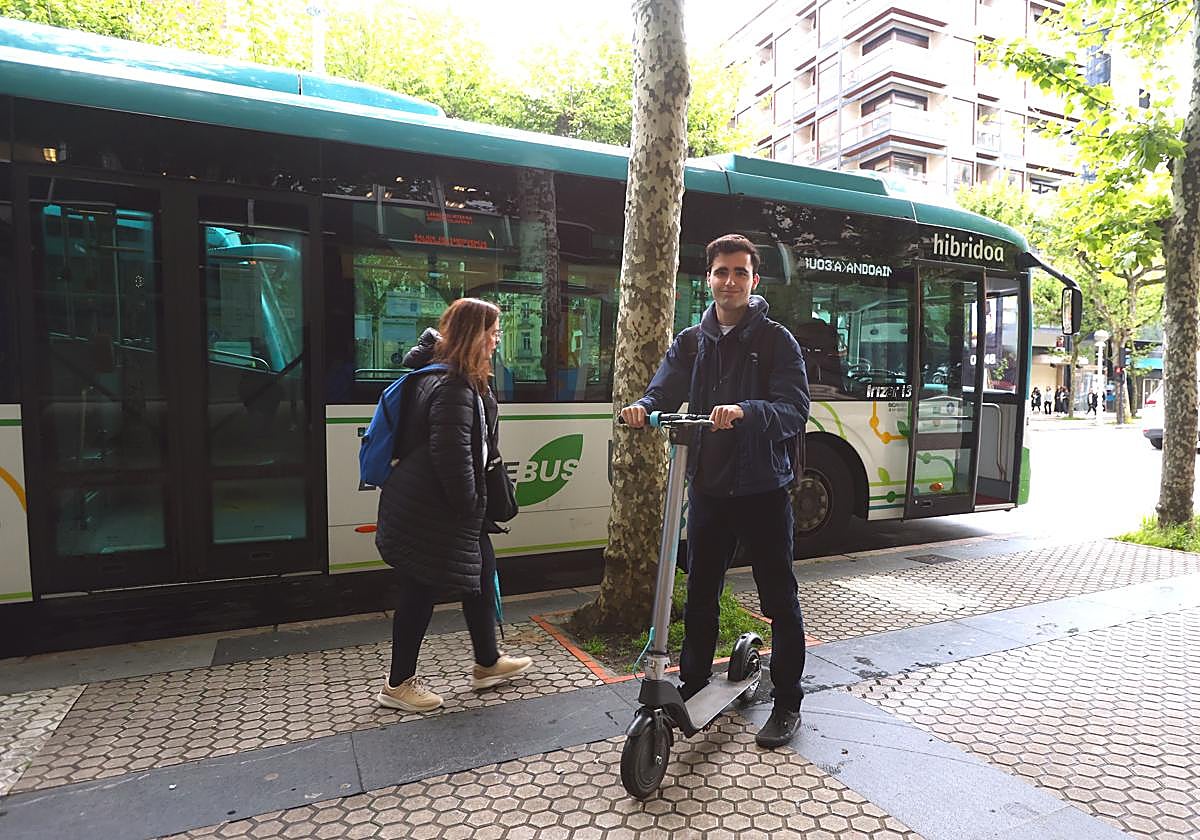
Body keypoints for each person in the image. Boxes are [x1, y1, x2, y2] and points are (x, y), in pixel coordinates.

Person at [620, 234, 811, 749]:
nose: (730, 281)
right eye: (721, 272)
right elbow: (662, 388)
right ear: (708, 278)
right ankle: (694, 683)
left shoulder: (776, 341)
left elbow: (795, 411)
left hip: (763, 490)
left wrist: (747, 411)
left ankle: (788, 701)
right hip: (708, 486)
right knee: (700, 592)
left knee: (779, 598)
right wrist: (644, 407)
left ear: (754, 280)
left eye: (740, 272)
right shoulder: (691, 341)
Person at [375, 299, 532, 712]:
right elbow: (453, 457)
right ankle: (397, 684)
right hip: (434, 509)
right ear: (474, 335)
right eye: (493, 333)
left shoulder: (447, 376)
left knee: (480, 572)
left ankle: (487, 662)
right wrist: (471, 506)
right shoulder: (453, 387)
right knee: (420, 588)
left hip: (437, 503)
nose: (497, 341)